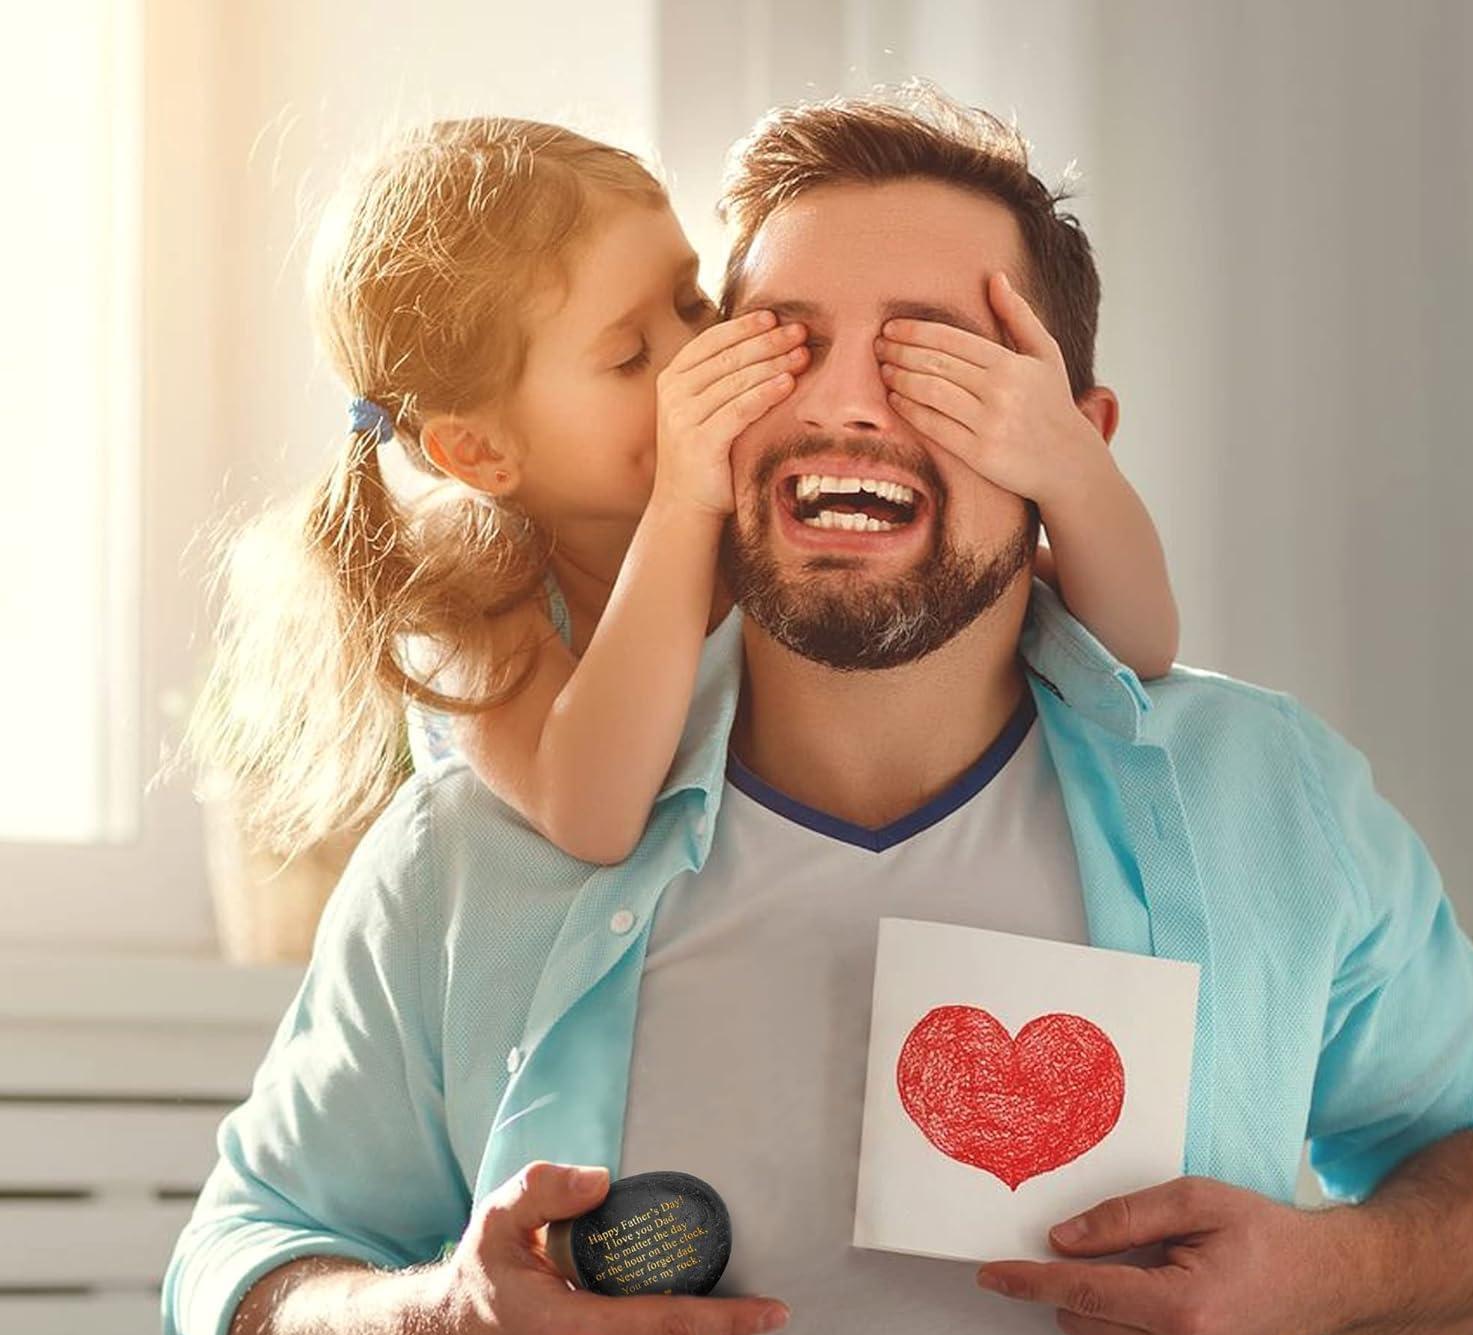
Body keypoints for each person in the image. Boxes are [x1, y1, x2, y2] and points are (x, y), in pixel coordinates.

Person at [162, 85, 1473, 1335]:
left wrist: (1324, 1272)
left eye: (942, 359)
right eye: (777, 344)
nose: (848, 401)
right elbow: (239, 1276)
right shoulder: (474, 848)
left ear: (1072, 431)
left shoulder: (1270, 803)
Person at [179, 112, 1176, 873]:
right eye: (626, 356)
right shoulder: (479, 587)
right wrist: (683, 511)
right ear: (481, 453)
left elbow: (1133, 642)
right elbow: (594, 814)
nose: (696, 355)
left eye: (694, 301)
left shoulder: (774, 513)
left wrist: (1065, 461)